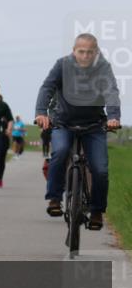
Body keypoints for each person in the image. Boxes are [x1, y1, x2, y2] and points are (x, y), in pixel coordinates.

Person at [35, 33, 121, 228]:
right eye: (81, 51)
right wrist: (41, 113)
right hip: (64, 123)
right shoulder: (62, 65)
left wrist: (113, 116)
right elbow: (47, 88)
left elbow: (111, 92)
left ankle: (97, 211)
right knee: (59, 153)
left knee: (100, 169)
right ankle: (55, 199)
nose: (85, 56)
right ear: (74, 51)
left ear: (96, 53)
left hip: (93, 126)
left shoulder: (103, 68)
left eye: (90, 52)